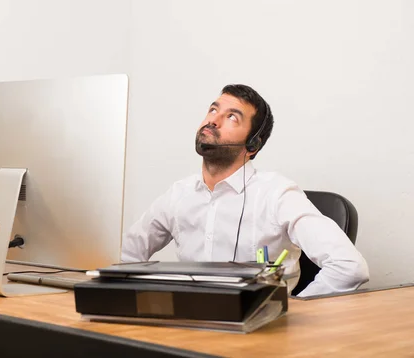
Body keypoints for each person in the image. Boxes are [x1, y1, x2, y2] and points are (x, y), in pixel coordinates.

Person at [121, 84, 369, 297]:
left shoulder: (277, 194)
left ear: (252, 145)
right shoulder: (179, 194)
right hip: (190, 325)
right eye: (213, 109)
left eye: (232, 117)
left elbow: (349, 267)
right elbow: (126, 256)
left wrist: (293, 310)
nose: (213, 120)